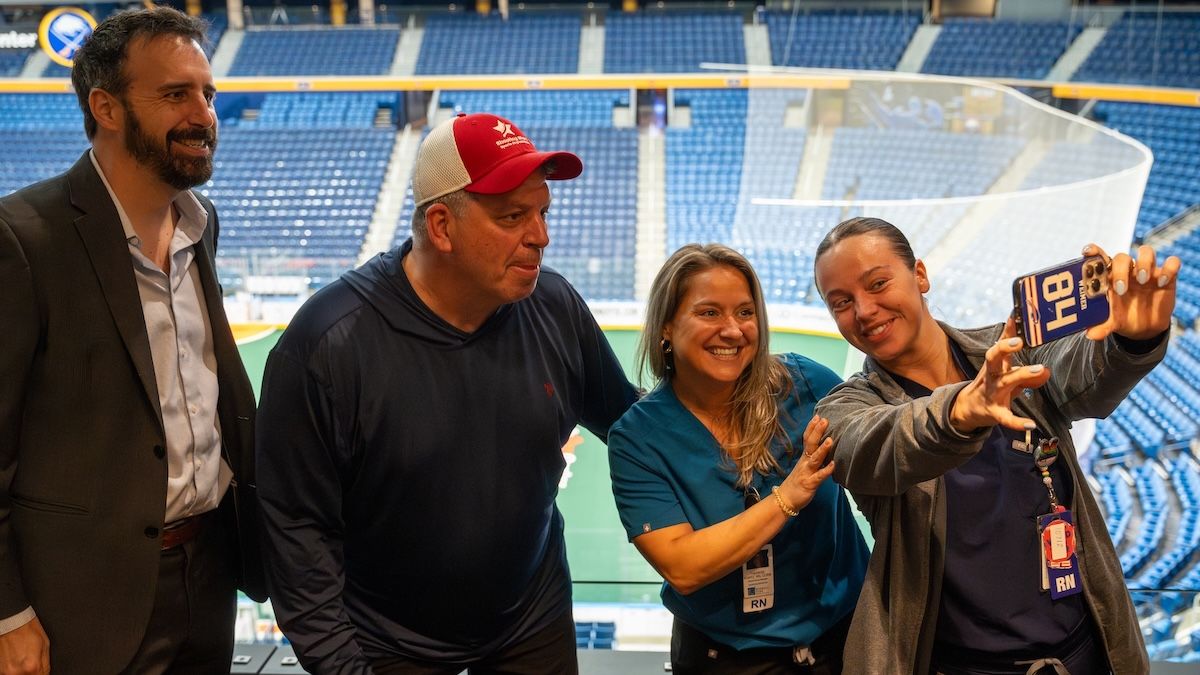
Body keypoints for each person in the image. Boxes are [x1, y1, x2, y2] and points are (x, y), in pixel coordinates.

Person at [256, 112, 639, 674]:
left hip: (531, 620)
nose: (541, 237)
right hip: (386, 643)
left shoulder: (554, 306)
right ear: (441, 226)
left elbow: (632, 422)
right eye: (514, 217)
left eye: (543, 212)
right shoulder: (328, 344)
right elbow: (294, 528)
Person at [0, 7, 265, 674]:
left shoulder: (202, 227)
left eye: (207, 93)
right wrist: (8, 612)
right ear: (107, 108)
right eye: (175, 94)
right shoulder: (24, 238)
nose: (203, 114)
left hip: (208, 576)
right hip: (85, 601)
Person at [812, 217, 1177, 675]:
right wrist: (961, 409)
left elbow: (1085, 374)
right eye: (841, 302)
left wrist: (1131, 339)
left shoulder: (1009, 349)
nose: (864, 311)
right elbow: (878, 443)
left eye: (878, 283)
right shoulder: (847, 408)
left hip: (1087, 651)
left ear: (920, 275)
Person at [608, 244, 869, 674]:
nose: (732, 330)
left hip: (847, 637)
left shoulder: (806, 383)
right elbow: (683, 567)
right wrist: (788, 496)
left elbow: (882, 453)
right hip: (726, 658)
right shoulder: (637, 439)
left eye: (745, 313)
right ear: (667, 326)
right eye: (709, 312)